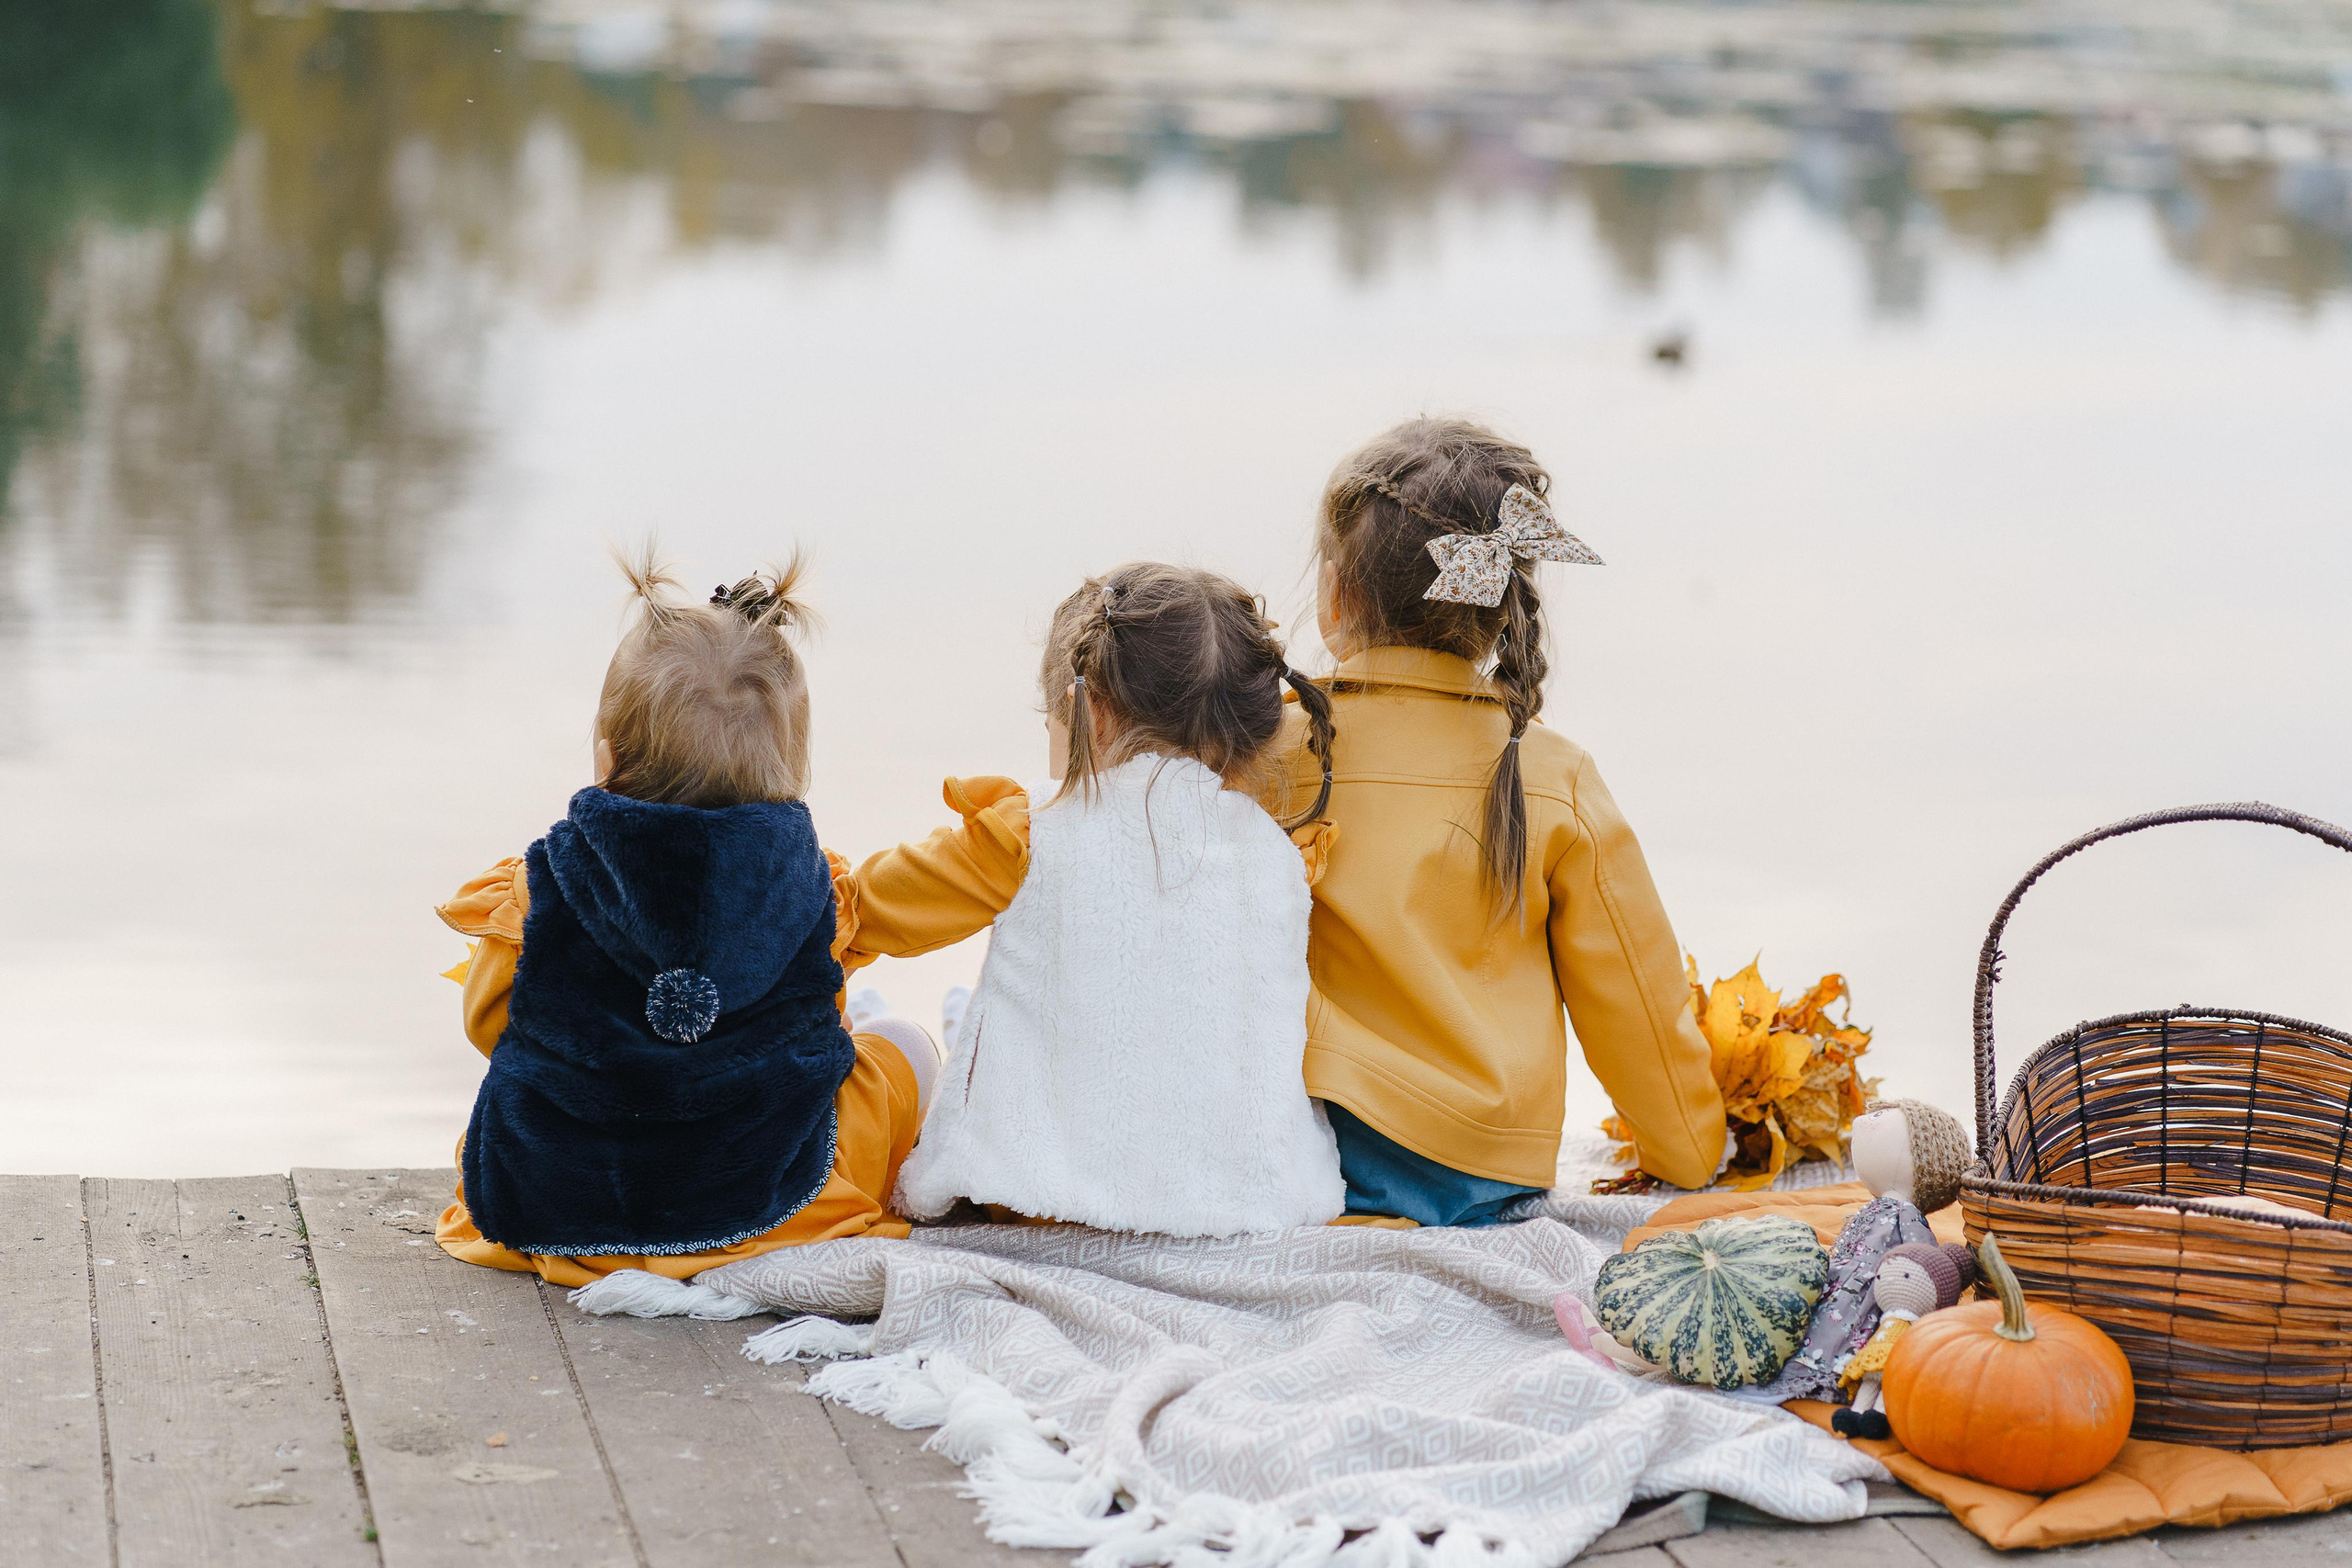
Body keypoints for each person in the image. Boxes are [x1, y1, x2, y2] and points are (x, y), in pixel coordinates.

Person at [432, 552, 941, 1287]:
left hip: (565, 1205)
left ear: (605, 756)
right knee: (898, 1045)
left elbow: (493, 1026)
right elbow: (813, 1019)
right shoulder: (807, 888)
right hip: (769, 1201)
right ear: (792, 767)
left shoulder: (538, 891)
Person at [1285, 415, 1728, 1225]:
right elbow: (1634, 995)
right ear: (1501, 600)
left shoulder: (1270, 750)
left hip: (1292, 1151)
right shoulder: (1548, 773)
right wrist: (1689, 1154)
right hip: (1482, 1174)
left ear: (1338, 593)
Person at [840, 563, 1347, 1236]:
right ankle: (967, 1025)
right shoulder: (1285, 861)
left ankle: (953, 1030)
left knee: (904, 1050)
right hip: (1247, 1205)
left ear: (1093, 708)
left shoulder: (1029, 836)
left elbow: (859, 911)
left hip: (1030, 1195)